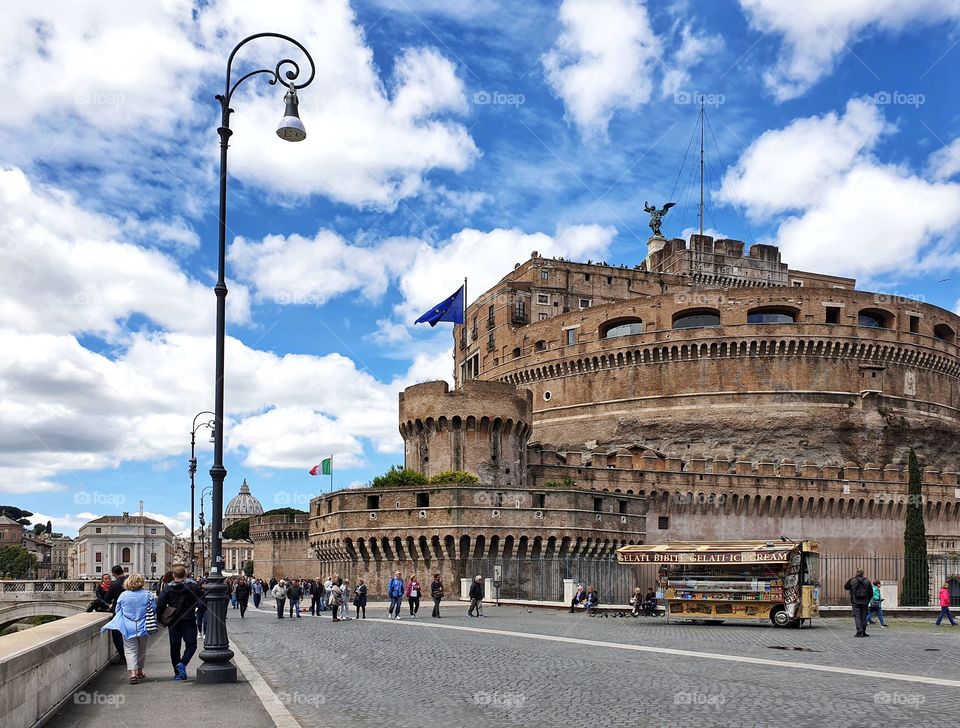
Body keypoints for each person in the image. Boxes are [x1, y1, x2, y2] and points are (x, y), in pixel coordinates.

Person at [100, 572, 153, 685]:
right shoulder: (148, 594)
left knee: (130, 650)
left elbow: (117, 610)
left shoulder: (123, 595)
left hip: (128, 627)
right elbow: (153, 609)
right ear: (141, 583)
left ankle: (133, 674)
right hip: (144, 626)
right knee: (141, 650)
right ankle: (140, 671)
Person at [157, 565, 203, 681]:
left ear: (173, 575)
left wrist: (160, 619)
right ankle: (183, 663)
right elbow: (201, 599)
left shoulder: (167, 588)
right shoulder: (192, 586)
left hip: (173, 620)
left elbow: (160, 605)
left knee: (175, 646)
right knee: (191, 644)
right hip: (189, 619)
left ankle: (178, 673)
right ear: (185, 575)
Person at [104, 565, 128, 664]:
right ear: (123, 571)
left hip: (119, 613)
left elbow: (106, 599)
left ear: (114, 575)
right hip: (133, 613)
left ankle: (123, 656)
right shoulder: (131, 581)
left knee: (117, 634)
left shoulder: (115, 584)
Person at [844, 568, 874, 637]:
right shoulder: (867, 581)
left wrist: (852, 588)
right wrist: (867, 600)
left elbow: (846, 587)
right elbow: (871, 593)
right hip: (865, 602)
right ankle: (863, 631)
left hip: (855, 601)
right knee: (864, 617)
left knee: (857, 617)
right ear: (863, 573)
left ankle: (859, 632)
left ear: (856, 573)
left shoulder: (852, 580)